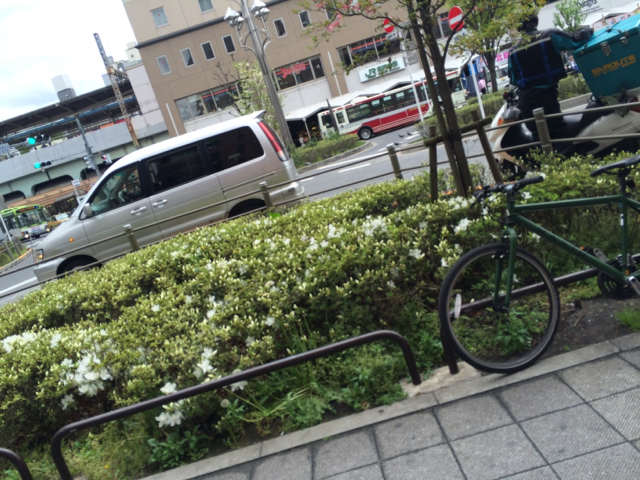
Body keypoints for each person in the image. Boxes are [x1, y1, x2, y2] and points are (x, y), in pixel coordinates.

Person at [508, 14, 592, 145]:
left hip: (526, 102)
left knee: (540, 140)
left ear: (520, 29)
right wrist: (589, 31)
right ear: (536, 23)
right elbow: (576, 40)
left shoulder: (513, 51)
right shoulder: (549, 35)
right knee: (559, 137)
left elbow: (513, 78)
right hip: (546, 98)